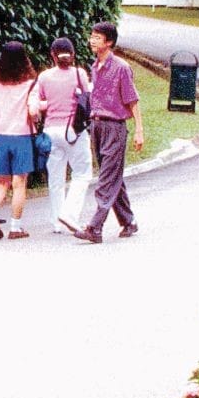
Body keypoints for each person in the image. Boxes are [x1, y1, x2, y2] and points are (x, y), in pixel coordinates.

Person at [67, 21, 143, 244]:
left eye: (98, 37)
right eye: (92, 36)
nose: (92, 40)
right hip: (97, 126)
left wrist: (139, 130)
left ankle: (95, 227)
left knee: (106, 177)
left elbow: (132, 100)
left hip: (115, 126)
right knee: (112, 174)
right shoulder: (94, 66)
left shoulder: (121, 67)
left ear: (109, 42)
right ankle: (128, 221)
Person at [30, 37, 92, 233]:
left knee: (55, 179)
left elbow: (36, 105)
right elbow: (86, 97)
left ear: (52, 55)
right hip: (72, 129)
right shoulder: (78, 73)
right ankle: (69, 214)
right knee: (82, 173)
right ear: (72, 55)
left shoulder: (44, 77)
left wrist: (50, 104)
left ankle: (57, 222)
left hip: (50, 131)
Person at [0, 41, 37, 239]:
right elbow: (34, 112)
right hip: (21, 136)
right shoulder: (30, 84)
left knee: (1, 182)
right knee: (19, 183)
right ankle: (15, 227)